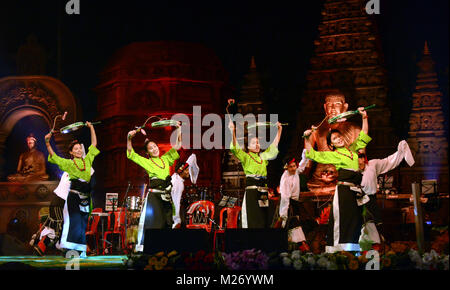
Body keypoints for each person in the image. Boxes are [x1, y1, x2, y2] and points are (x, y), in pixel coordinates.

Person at [304, 107, 370, 253]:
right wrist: (307, 137)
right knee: (343, 221)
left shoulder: (352, 150)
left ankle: (355, 251)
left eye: (339, 136)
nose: (338, 138)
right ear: (331, 144)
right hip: (344, 192)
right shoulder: (334, 155)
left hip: (356, 191)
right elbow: (311, 154)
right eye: (334, 138)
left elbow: (364, 134)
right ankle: (339, 252)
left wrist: (364, 117)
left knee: (356, 221)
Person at [44, 122, 99, 257]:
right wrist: (47, 143)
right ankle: (69, 250)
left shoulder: (88, 161)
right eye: (76, 149)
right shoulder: (68, 163)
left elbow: (94, 144)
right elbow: (55, 158)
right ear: (71, 152)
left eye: (80, 148)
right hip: (74, 197)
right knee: (73, 223)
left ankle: (79, 251)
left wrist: (91, 127)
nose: (79, 150)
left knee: (82, 225)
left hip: (86, 199)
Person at [127, 122, 182, 252]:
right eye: (150, 148)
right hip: (155, 198)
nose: (154, 149)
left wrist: (179, 129)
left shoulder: (166, 158)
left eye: (155, 146)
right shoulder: (147, 162)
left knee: (168, 224)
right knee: (156, 224)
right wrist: (129, 138)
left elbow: (178, 145)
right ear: (147, 152)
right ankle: (151, 252)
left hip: (167, 197)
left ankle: (166, 252)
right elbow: (131, 153)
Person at [357, 140, 415, 247]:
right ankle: (361, 247)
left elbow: (388, 161)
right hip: (357, 200)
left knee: (376, 222)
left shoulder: (372, 164)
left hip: (371, 198)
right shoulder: (352, 171)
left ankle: (381, 244)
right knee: (361, 224)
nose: (359, 161)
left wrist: (400, 152)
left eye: (361, 157)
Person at [228, 119, 282, 228]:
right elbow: (235, 148)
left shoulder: (263, 157)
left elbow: (273, 147)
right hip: (252, 192)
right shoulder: (246, 157)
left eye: (258, 142)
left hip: (263, 191)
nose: (257, 145)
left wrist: (279, 130)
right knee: (253, 218)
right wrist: (232, 131)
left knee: (263, 218)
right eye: (253, 143)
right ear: (248, 147)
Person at [305, 93, 361, 195]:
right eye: (330, 105)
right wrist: (298, 179)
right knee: (311, 188)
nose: (333, 108)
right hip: (319, 180)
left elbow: (361, 159)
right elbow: (308, 160)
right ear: (325, 107)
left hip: (344, 176)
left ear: (345, 107)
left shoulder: (355, 130)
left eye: (337, 104)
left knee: (346, 187)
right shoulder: (316, 129)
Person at [276, 149, 311, 252]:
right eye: (290, 167)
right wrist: (283, 215)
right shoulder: (285, 178)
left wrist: (305, 153)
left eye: (294, 166)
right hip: (288, 204)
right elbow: (285, 198)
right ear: (286, 167)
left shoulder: (296, 171)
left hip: (295, 203)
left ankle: (298, 247)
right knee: (292, 226)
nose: (293, 168)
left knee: (297, 225)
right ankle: (300, 247)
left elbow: (302, 165)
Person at [171, 154, 199, 229]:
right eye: (186, 170)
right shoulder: (178, 183)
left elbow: (192, 158)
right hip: (173, 213)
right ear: (181, 171)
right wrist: (177, 220)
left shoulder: (175, 177)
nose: (188, 172)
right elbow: (175, 201)